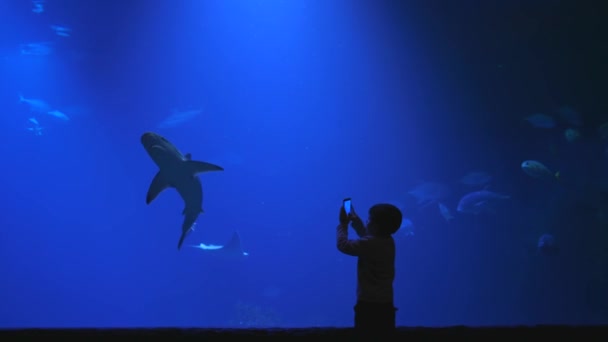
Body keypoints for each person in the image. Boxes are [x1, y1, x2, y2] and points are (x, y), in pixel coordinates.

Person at [336, 202, 403, 334]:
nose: (367, 221)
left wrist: (343, 224)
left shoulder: (370, 243)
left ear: (376, 226)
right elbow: (368, 237)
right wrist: (356, 221)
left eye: (369, 219)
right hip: (386, 303)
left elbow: (344, 246)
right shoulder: (388, 241)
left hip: (368, 303)